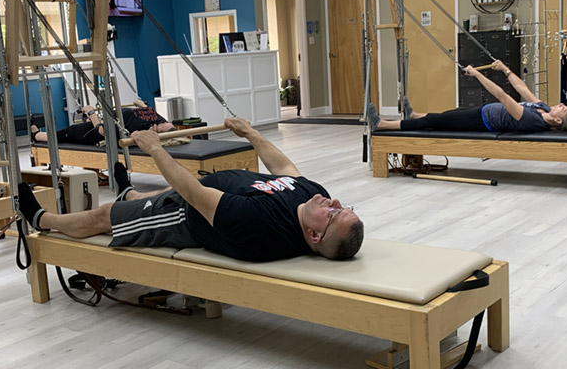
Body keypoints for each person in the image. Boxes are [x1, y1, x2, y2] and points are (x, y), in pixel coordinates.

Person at [18, 117, 364, 263]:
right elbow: (285, 169)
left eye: (333, 213)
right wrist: (251, 134)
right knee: (142, 200)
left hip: (185, 214)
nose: (331, 200)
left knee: (106, 215)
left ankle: (42, 219)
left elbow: (190, 191)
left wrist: (153, 148)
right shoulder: (311, 196)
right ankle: (131, 195)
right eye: (341, 204)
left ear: (315, 236)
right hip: (196, 198)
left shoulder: (261, 224)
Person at [369, 60, 567, 133]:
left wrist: (476, 74)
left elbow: (501, 95)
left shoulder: (532, 120)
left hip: (481, 121)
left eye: (563, 109)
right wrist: (505, 69)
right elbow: (523, 89)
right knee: (446, 115)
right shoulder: (544, 110)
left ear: (558, 120)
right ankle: (414, 114)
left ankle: (383, 125)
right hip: (482, 112)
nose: (561, 104)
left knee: (433, 122)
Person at [31, 98, 174, 145]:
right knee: (66, 132)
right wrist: (140, 103)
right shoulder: (158, 119)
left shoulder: (140, 131)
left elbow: (102, 131)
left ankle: (37, 136)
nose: (155, 128)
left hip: (94, 133)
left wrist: (91, 112)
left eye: (157, 132)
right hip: (103, 123)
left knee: (66, 133)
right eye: (157, 127)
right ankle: (38, 135)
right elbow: (147, 109)